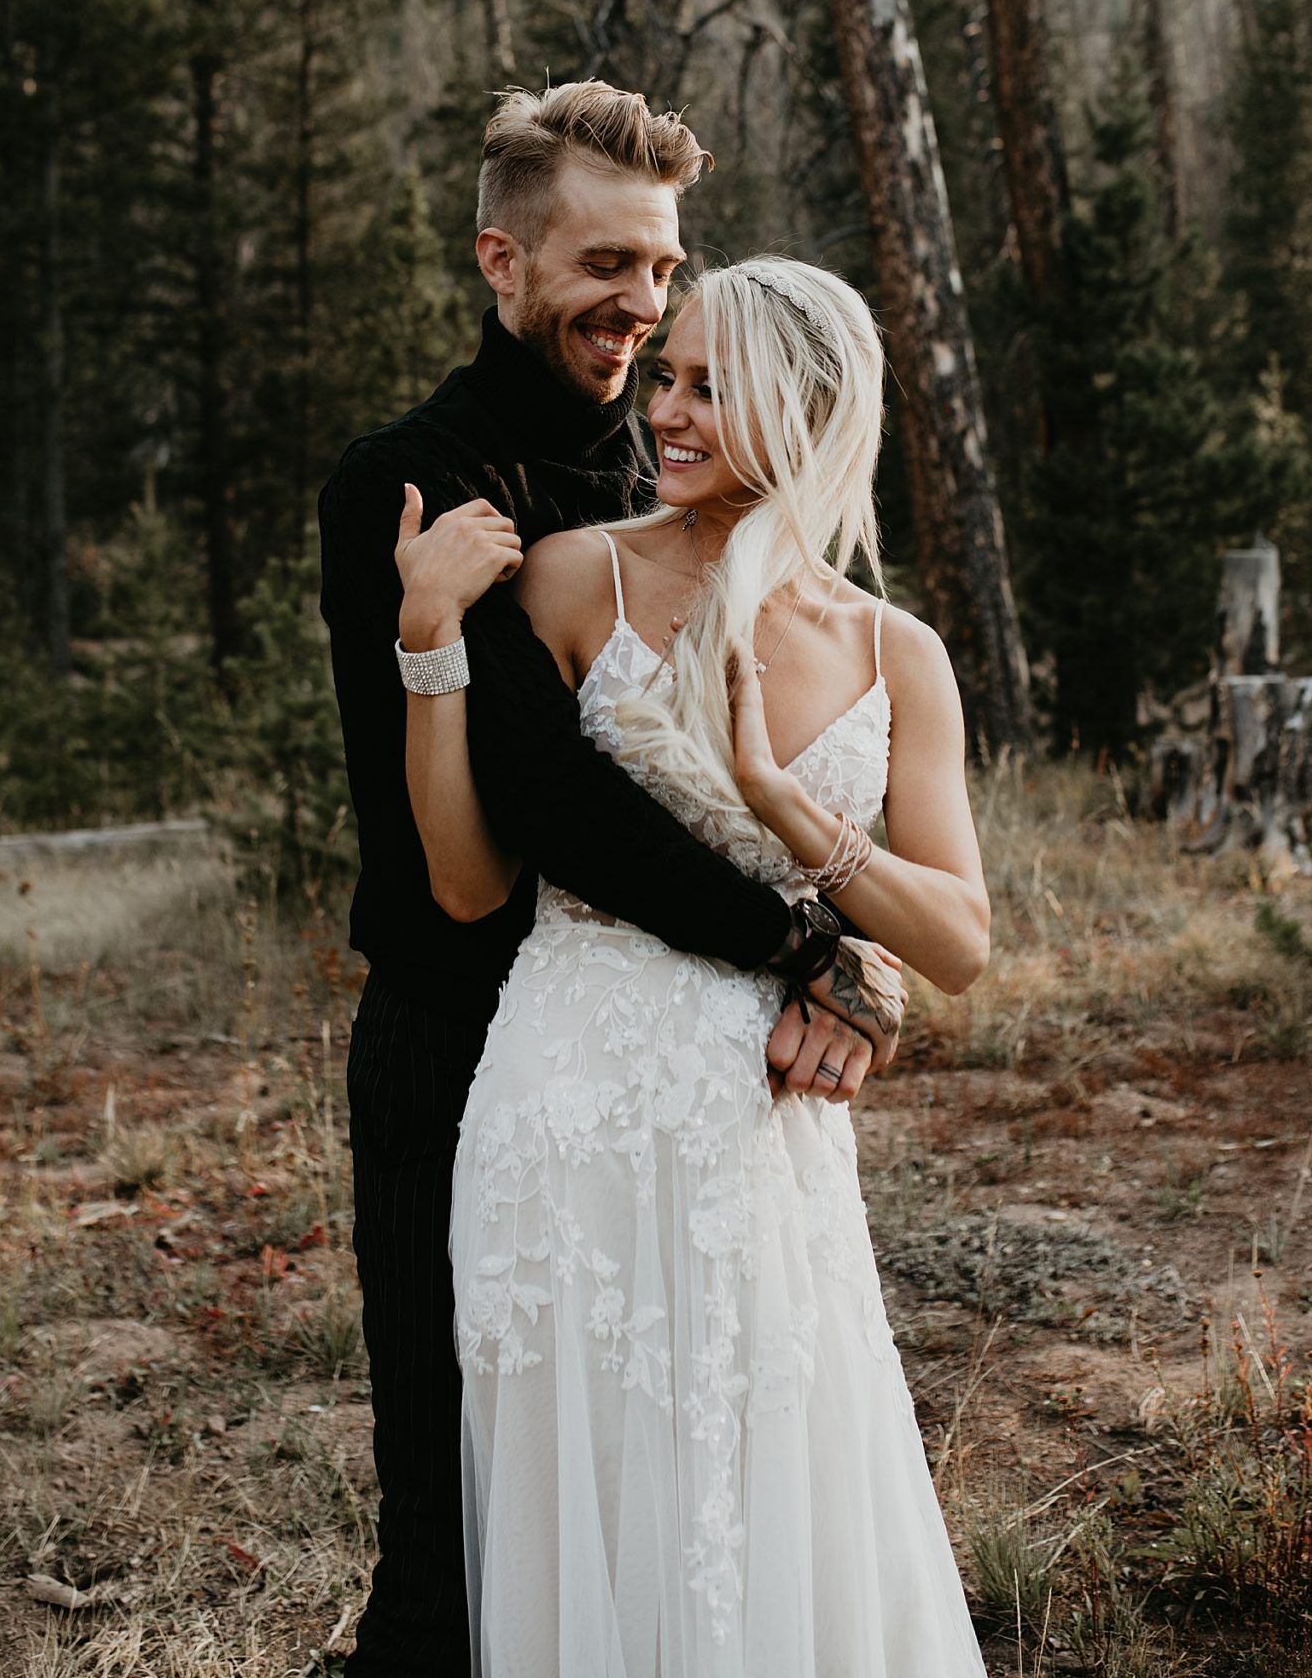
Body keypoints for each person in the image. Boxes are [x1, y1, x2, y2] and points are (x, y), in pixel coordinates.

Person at [319, 83, 905, 1677]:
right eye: (604, 267)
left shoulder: (698, 475)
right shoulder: (414, 486)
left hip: (693, 1058)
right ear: (502, 260)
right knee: (457, 1535)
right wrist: (806, 945)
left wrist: (859, 952)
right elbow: (554, 811)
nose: (641, 310)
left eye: (663, 268)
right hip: (462, 1047)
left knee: (682, 1486)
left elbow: (813, 746)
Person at [395, 254, 992, 1676]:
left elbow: (959, 941)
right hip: (568, 1107)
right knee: (591, 1506)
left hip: (759, 1139)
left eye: (710, 385)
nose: (664, 409)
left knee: (767, 1493)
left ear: (804, 407)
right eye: (667, 376)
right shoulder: (568, 577)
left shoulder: (893, 651)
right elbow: (471, 880)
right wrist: (428, 645)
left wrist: (797, 819)